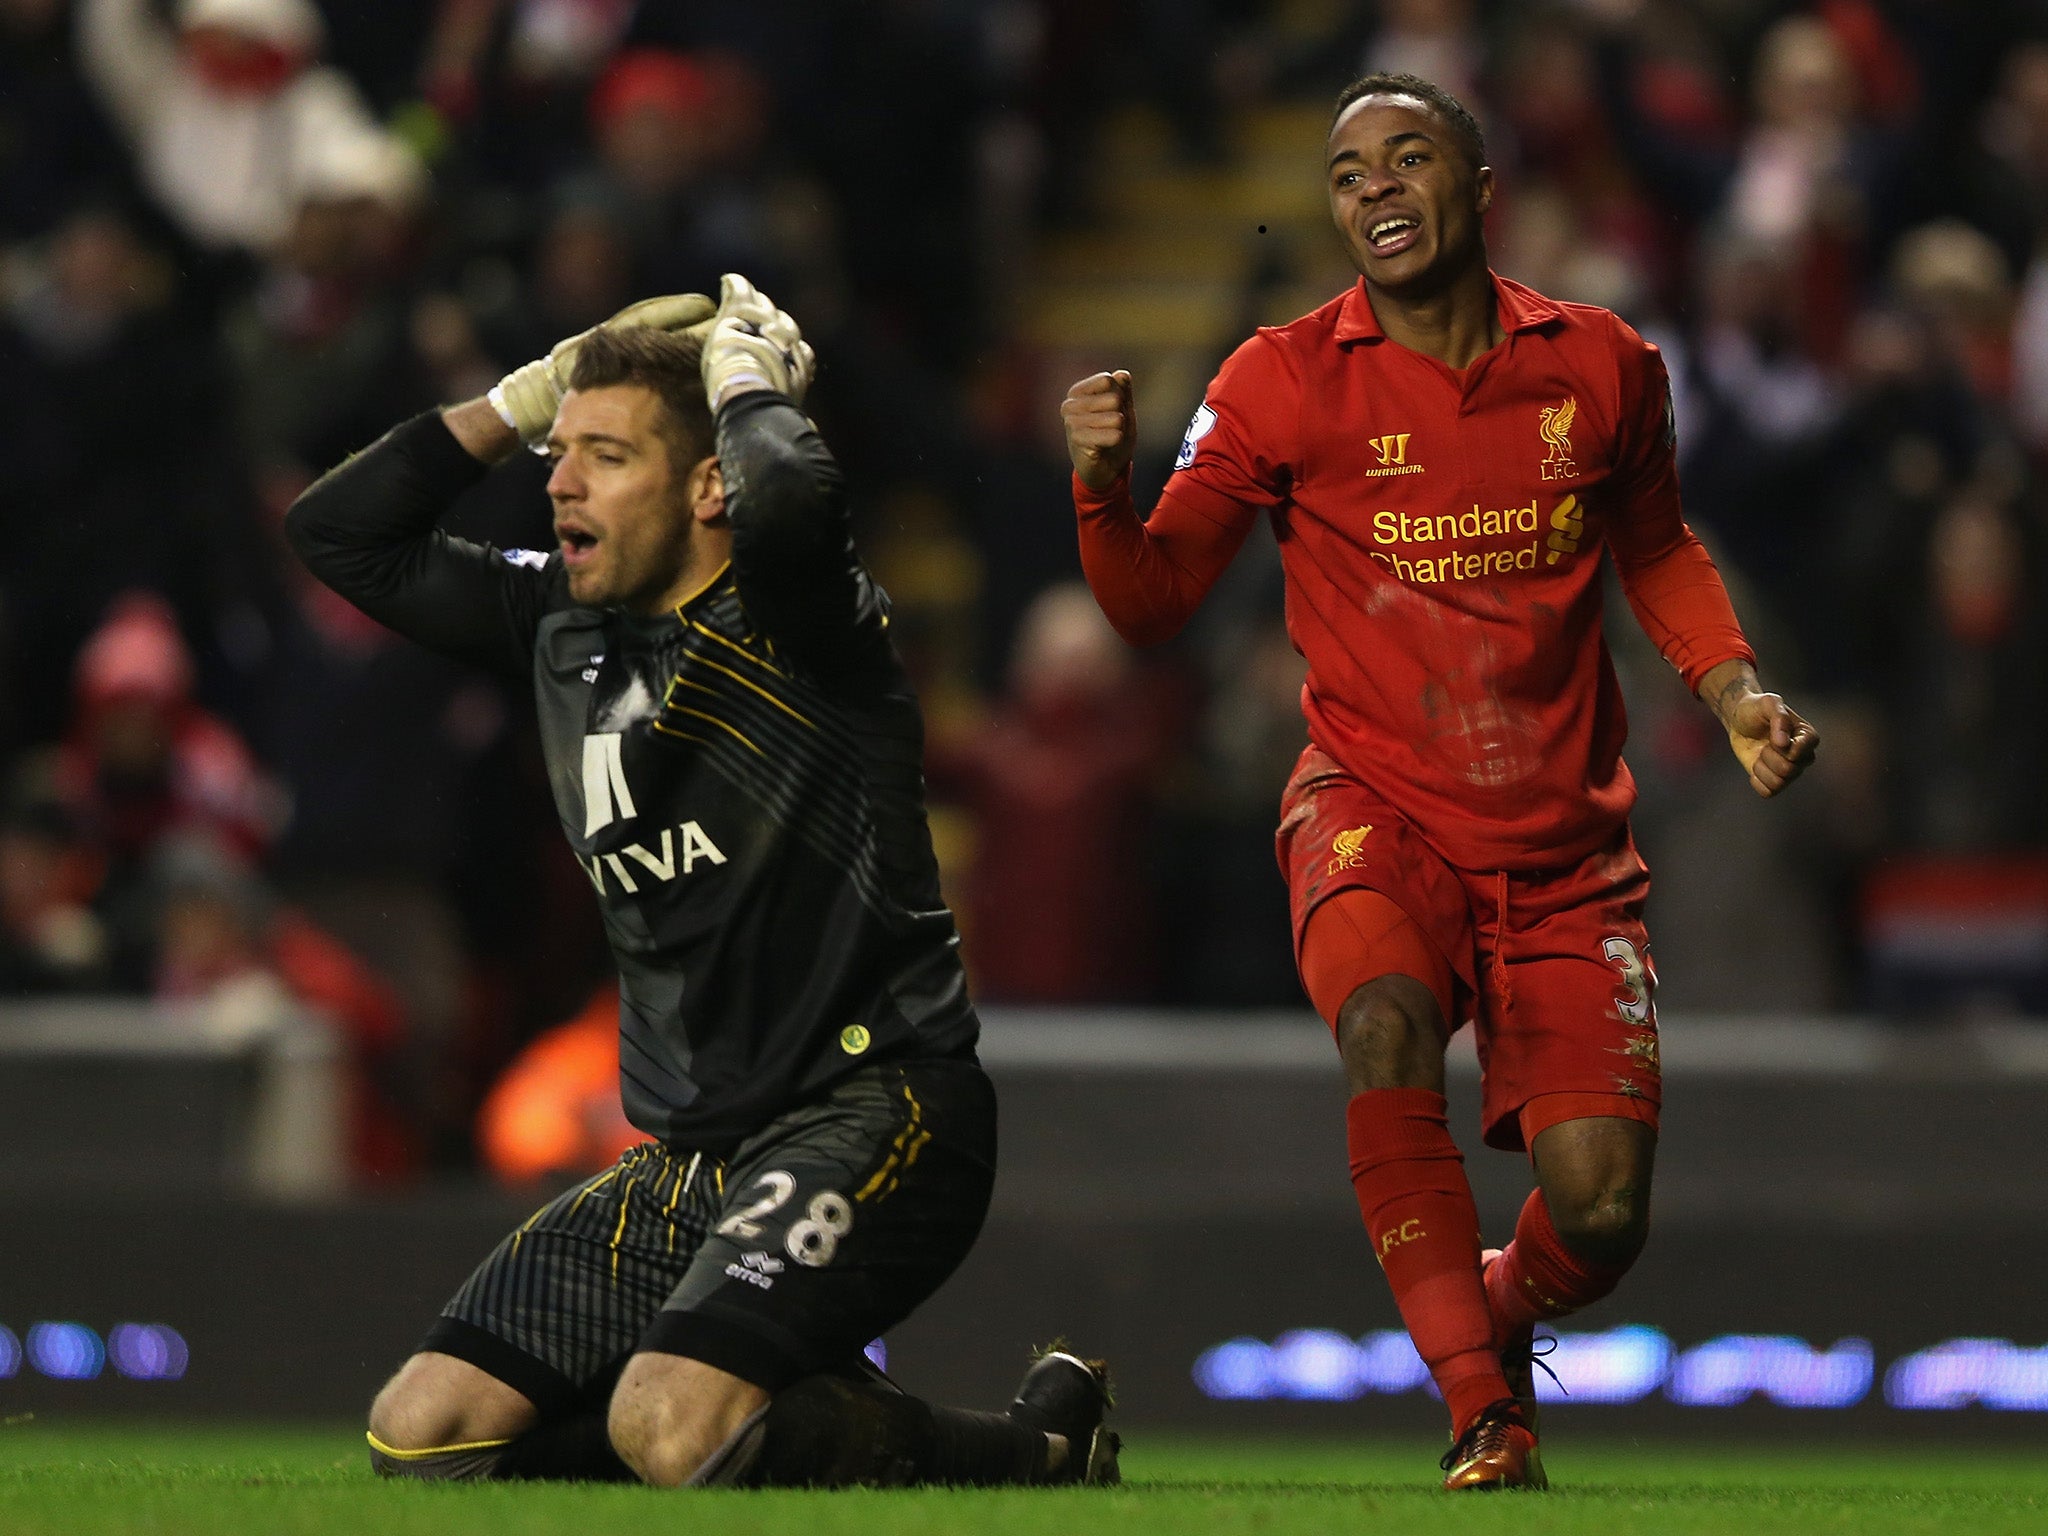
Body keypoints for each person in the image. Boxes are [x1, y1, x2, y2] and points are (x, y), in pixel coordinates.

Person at [1060, 73, 1817, 1490]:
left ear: (1480, 188)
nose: (1375, 191)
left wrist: (1733, 692)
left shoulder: (1602, 363)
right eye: (1348, 176)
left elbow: (1657, 550)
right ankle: (1483, 1408)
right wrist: (1102, 490)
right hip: (1371, 802)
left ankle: (1498, 1303)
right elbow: (1153, 603)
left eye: (1409, 160)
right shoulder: (1274, 379)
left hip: (1566, 848)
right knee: (1385, 1025)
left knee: (1599, 1218)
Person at [287, 278, 1118, 1488]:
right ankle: (794, 1402)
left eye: (603, 456)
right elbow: (339, 534)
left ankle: (1039, 1450)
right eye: (556, 455)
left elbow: (790, 497)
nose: (558, 483)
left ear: (706, 486)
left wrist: (742, 382)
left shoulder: (802, 623)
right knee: (424, 1438)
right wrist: (523, 399)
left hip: (877, 1109)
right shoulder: (555, 619)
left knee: (667, 1426)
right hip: (683, 1159)